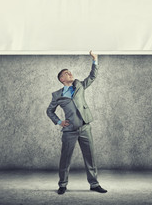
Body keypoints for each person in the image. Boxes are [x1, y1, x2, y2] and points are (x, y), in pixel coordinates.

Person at [46, 50, 107, 195]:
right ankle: (62, 185)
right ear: (61, 79)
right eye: (66, 73)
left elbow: (92, 76)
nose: (70, 73)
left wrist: (95, 60)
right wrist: (59, 122)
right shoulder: (57, 95)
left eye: (70, 72)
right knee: (65, 159)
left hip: (85, 127)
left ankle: (94, 184)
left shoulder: (79, 85)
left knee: (90, 157)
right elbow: (49, 111)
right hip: (69, 131)